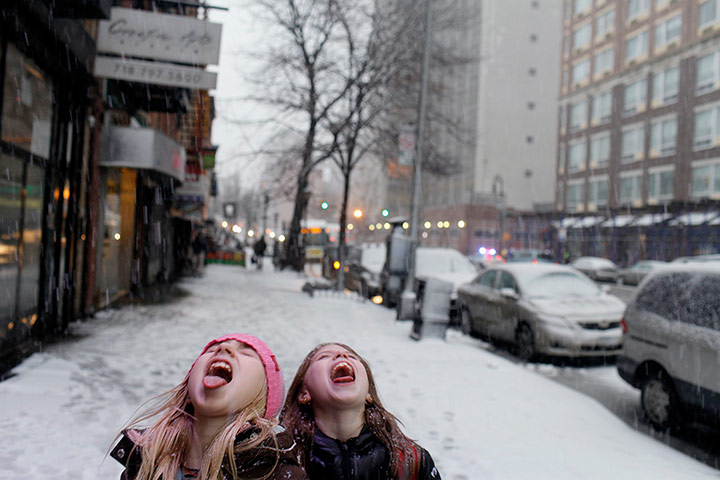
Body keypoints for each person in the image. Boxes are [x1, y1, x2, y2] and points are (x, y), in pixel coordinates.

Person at [111, 334, 307, 480]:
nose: (224, 349)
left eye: (247, 353)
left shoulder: (276, 472)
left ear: (264, 399)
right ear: (187, 391)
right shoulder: (145, 462)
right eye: (213, 351)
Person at [281, 343, 441, 480]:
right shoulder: (281, 460)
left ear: (368, 395)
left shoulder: (411, 462)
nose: (341, 354)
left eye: (352, 356)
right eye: (323, 357)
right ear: (304, 393)